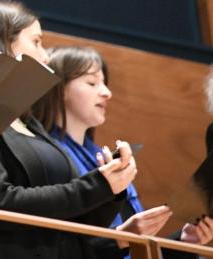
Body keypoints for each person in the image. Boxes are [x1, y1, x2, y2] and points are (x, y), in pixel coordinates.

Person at [0, 0, 170, 258]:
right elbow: (0, 205)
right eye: (37, 42)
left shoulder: (30, 122)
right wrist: (96, 185)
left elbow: (75, 229)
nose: (45, 56)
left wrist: (112, 189)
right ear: (5, 43)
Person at [31, 45, 213, 249]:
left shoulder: (104, 156)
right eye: (92, 83)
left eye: (104, 83)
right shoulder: (44, 156)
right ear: (58, 88)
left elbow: (134, 250)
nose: (107, 93)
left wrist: (185, 241)